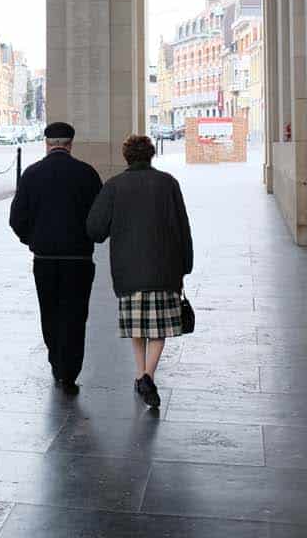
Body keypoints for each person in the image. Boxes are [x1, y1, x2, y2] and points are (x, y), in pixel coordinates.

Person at [86, 134, 192, 409]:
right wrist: (186, 265)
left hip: (128, 270)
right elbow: (183, 227)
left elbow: (95, 229)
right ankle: (147, 375)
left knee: (137, 326)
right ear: (151, 155)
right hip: (165, 268)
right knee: (158, 329)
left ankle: (140, 374)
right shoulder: (168, 183)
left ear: (126, 157)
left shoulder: (114, 186)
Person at [8, 121, 103, 394]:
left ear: (47, 144)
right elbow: (99, 218)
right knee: (75, 313)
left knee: (49, 311)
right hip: (79, 259)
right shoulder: (87, 174)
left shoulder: (32, 174)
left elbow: (17, 218)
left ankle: (56, 360)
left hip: (45, 258)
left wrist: (33, 241)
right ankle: (69, 370)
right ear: (70, 144)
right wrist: (90, 239)